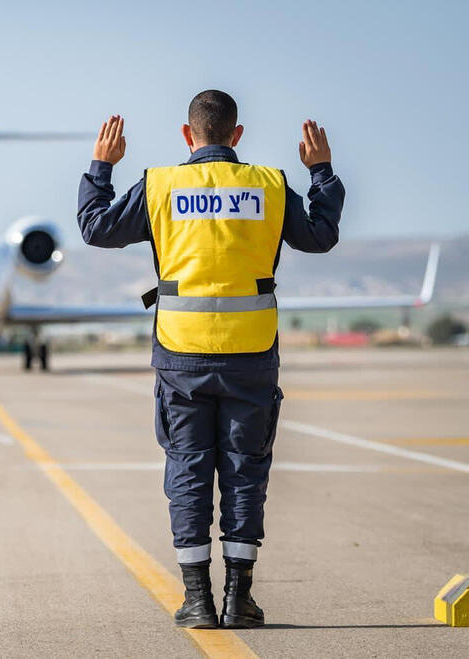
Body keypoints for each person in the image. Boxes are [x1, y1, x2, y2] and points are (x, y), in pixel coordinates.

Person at [77, 90, 344, 629]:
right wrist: (321, 173)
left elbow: (95, 227)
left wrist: (101, 166)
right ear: (237, 135)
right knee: (246, 470)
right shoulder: (268, 185)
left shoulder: (160, 185)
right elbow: (320, 236)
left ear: (187, 135)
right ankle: (238, 599)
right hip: (251, 352)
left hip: (181, 354)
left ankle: (197, 600)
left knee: (189, 469)